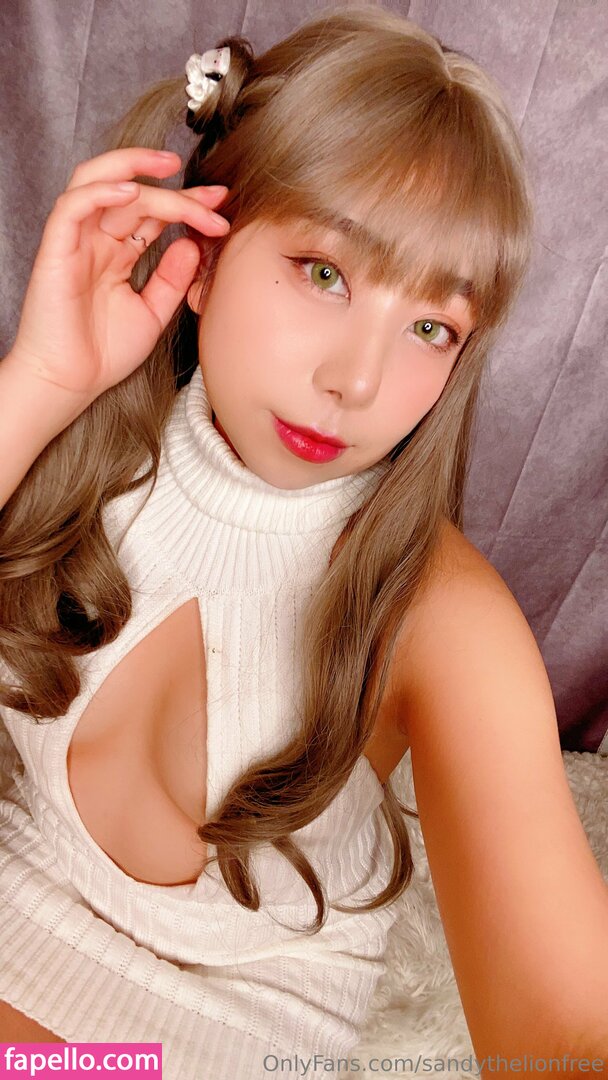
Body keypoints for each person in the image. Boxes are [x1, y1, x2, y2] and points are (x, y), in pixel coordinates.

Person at [0, 4, 606, 1076]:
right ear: (205, 250)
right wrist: (39, 386)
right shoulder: (80, 443)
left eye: (431, 327)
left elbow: (572, 1029)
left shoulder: (440, 616)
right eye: (325, 273)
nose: (358, 382)